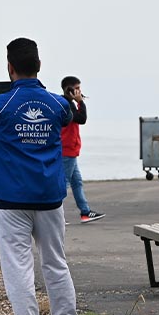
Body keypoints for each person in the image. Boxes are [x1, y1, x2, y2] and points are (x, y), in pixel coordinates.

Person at [0, 37, 83, 315]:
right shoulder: (57, 104)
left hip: (11, 197)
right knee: (55, 261)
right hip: (49, 195)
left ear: (9, 67)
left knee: (18, 265)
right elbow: (69, 116)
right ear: (40, 66)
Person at [59, 76, 105, 224]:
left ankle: (85, 212)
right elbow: (81, 119)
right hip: (67, 150)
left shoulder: (67, 103)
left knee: (76, 182)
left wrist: (78, 101)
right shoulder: (67, 104)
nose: (80, 91)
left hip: (70, 149)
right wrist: (80, 102)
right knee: (63, 184)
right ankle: (56, 215)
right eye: (77, 88)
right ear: (69, 90)